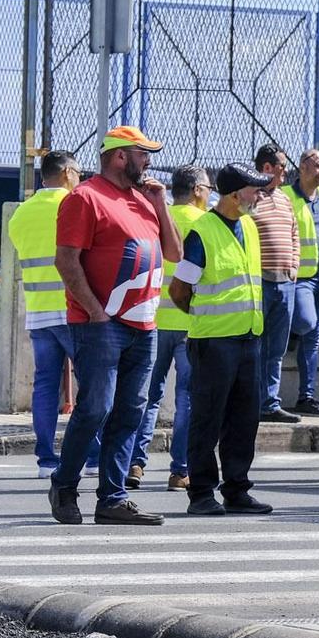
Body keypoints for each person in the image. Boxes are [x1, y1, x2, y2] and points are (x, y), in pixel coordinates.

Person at [50, 125, 183, 526]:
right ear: (120, 155)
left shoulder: (144, 200)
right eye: (143, 154)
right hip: (101, 324)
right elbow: (67, 260)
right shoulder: (84, 198)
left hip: (144, 324)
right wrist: (94, 311)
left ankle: (113, 498)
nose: (149, 161)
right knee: (95, 408)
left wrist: (160, 204)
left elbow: (173, 252)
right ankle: (65, 485)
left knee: (130, 410)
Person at [167, 162, 273, 517]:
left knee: (244, 419)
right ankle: (200, 492)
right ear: (233, 195)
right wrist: (202, 318)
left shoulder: (249, 227)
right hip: (214, 341)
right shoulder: (203, 231)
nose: (259, 195)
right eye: (254, 189)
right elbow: (180, 289)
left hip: (248, 337)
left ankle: (237, 488)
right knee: (208, 419)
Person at [128, 163, 207, 492]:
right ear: (199, 191)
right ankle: (179, 471)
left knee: (148, 395)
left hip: (154, 319)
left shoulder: (154, 215)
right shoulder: (206, 223)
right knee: (187, 397)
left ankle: (135, 463)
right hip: (192, 322)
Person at [13, 150, 80, 479]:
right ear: (67, 172)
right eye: (78, 172)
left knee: (45, 386)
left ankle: (46, 460)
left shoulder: (20, 216)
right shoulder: (74, 205)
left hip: (38, 312)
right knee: (93, 384)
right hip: (73, 310)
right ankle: (92, 455)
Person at [281, 148, 319, 417]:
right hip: (301, 278)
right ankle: (290, 330)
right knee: (305, 322)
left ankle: (307, 396)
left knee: (314, 340)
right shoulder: (287, 197)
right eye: (317, 166)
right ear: (303, 167)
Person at [249, 144, 304, 425]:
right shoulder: (250, 198)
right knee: (255, 345)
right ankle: (252, 402)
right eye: (282, 166)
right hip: (259, 284)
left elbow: (294, 234)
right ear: (267, 168)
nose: (286, 172)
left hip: (285, 284)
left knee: (276, 348)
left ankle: (270, 402)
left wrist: (294, 265)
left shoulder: (284, 199)